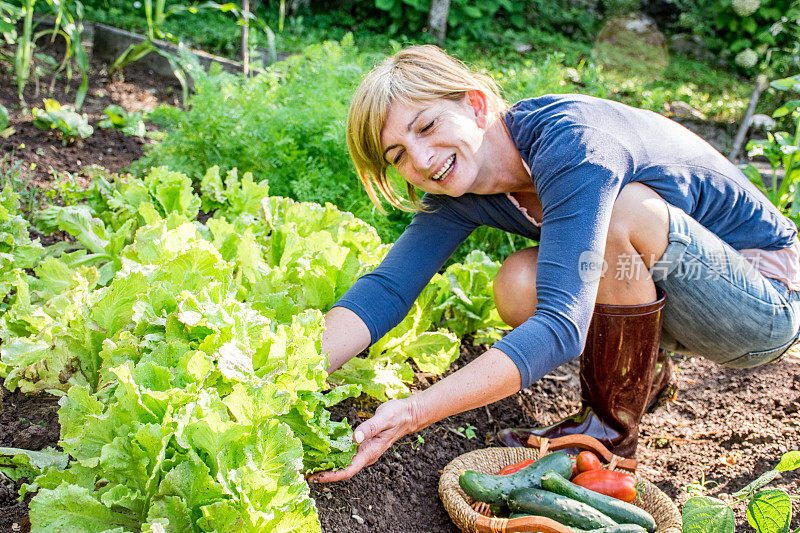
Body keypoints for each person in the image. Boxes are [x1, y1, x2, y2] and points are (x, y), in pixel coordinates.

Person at [308, 45, 800, 483]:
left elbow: (563, 326)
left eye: (427, 126)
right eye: (398, 155)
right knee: (519, 282)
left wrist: (413, 412)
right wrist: (291, 373)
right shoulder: (460, 184)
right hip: (680, 292)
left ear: (475, 105)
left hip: (762, 303)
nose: (421, 158)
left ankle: (610, 436)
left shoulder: (573, 145)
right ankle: (641, 376)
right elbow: (389, 290)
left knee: (619, 215)